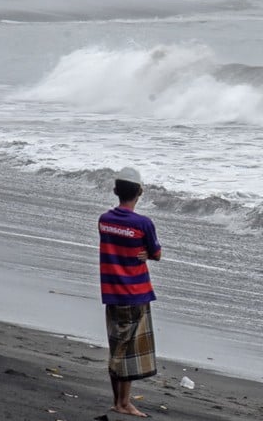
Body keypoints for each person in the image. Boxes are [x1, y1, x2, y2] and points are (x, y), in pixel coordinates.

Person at [98, 167, 162, 418]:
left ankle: (118, 400)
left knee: (117, 344)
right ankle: (123, 403)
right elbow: (156, 253)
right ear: (139, 192)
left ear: (116, 191)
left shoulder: (105, 220)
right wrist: (146, 254)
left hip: (112, 291)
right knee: (128, 350)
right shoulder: (143, 223)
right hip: (135, 292)